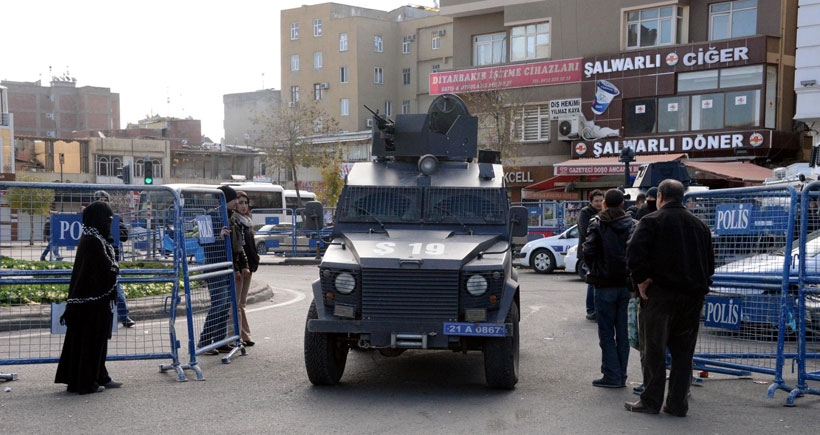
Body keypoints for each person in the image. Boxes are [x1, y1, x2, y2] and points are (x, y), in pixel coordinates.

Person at [624, 179, 714, 417]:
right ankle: (677, 403)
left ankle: (651, 400)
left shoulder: (651, 221)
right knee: (684, 354)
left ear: (661, 196)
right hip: (692, 296)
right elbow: (710, 264)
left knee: (653, 348)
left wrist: (641, 279)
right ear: (682, 197)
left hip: (660, 295)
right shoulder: (700, 226)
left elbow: (634, 252)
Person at [54, 201, 123, 394]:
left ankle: (99, 375)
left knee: (96, 342)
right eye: (107, 219)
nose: (110, 223)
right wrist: (114, 268)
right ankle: (85, 381)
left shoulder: (95, 237)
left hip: (95, 300)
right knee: (89, 343)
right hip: (90, 302)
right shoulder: (92, 240)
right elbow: (105, 267)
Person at [583, 189, 636, 388]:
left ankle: (611, 374)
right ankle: (620, 374)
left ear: (604, 203)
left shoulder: (597, 223)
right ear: (623, 204)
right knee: (623, 332)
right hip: (625, 284)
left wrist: (596, 268)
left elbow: (588, 250)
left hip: (604, 284)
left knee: (606, 332)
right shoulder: (632, 224)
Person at [198, 185, 249, 355]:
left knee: (226, 304)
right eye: (234, 198)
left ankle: (220, 341)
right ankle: (204, 342)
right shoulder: (209, 217)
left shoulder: (232, 218)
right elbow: (203, 241)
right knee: (218, 304)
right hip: (214, 268)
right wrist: (218, 236)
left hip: (227, 268)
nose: (237, 202)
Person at [92, 190, 135, 328]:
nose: (103, 203)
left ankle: (124, 317)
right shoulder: (89, 218)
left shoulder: (115, 218)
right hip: (94, 260)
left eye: (105, 200)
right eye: (100, 200)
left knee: (118, 290)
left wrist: (115, 225)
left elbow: (124, 236)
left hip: (112, 260)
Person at [232, 191, 259, 347]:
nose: (243, 206)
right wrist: (242, 265)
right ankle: (240, 336)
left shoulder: (248, 221)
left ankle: (245, 335)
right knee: (236, 304)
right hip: (240, 267)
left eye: (245, 203)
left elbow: (251, 246)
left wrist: (254, 262)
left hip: (249, 267)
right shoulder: (235, 221)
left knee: (242, 303)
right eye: (240, 203)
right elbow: (238, 247)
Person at [578, 190, 604, 321]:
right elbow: (585, 231)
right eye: (596, 201)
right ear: (591, 201)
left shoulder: (604, 212)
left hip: (603, 253)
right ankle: (591, 310)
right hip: (589, 252)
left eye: (601, 200)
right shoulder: (585, 213)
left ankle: (598, 309)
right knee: (592, 280)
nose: (599, 203)